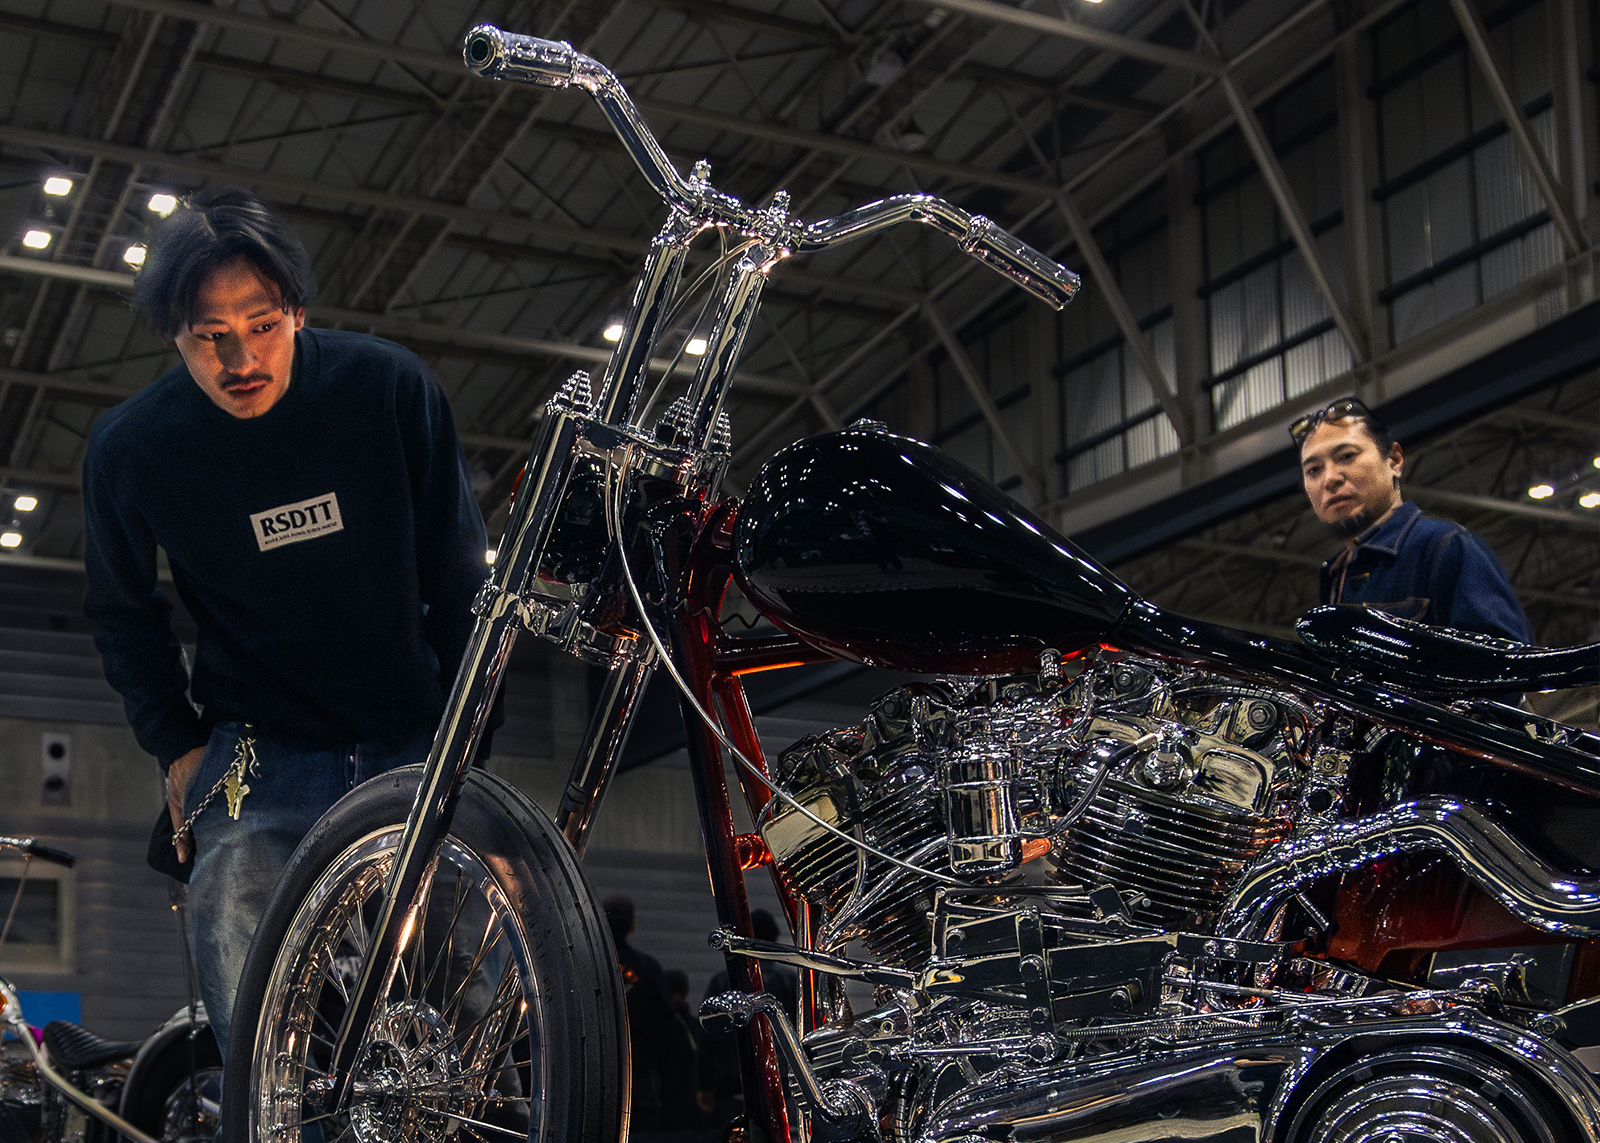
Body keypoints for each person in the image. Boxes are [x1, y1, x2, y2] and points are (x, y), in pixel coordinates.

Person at [82, 187, 490, 1054]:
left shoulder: (387, 388)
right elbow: (121, 609)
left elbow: (460, 573)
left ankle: (496, 1107)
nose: (241, 358)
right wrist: (175, 743)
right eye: (210, 335)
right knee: (241, 948)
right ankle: (270, 1111)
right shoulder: (133, 447)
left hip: (411, 728)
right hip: (259, 745)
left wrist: (469, 732)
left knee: (471, 973)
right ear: (174, 334)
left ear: (298, 310)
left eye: (262, 325)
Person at [1294, 396, 1531, 642]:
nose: (1329, 479)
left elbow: (1501, 658)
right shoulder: (1334, 574)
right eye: (1313, 470)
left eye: (1346, 456)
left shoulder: (1443, 546)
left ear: (1394, 461)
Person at [696, 908, 798, 1127]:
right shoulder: (790, 980)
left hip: (732, 1082)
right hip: (782, 1080)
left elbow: (708, 1035)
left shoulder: (723, 981)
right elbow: (803, 1029)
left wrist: (704, 1084)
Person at [603, 895, 678, 1133]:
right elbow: (666, 1022)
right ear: (632, 926)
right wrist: (663, 1069)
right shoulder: (648, 968)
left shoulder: (586, 967)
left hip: (595, 1067)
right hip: (638, 1069)